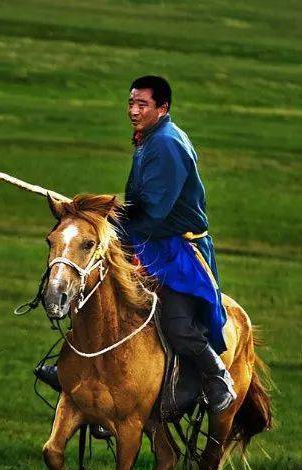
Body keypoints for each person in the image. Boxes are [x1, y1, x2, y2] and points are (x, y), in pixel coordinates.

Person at [35, 75, 235, 416]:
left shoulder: (167, 144)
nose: (134, 111)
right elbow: (139, 203)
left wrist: (108, 223)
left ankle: (217, 377)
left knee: (176, 321)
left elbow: (154, 211)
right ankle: (77, 368)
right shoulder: (149, 139)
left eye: (142, 105)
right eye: (131, 103)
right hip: (149, 241)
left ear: (162, 108)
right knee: (99, 290)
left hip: (177, 251)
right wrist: (97, 213)